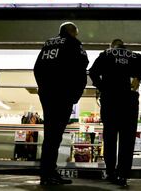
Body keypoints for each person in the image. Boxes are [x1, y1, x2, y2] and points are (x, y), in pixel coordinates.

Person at [89, 39, 141, 187]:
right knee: (127, 139)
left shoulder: (106, 54)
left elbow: (92, 72)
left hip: (110, 100)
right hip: (129, 101)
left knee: (110, 137)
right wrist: (138, 76)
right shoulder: (132, 55)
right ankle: (123, 174)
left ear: (112, 46)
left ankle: (111, 172)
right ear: (124, 47)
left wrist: (102, 86)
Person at [34, 22, 89, 185]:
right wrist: (75, 95)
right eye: (76, 33)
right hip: (63, 94)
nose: (77, 36)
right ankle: (49, 174)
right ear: (71, 32)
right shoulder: (74, 44)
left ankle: (47, 172)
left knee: (50, 134)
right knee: (55, 135)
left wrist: (43, 87)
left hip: (47, 94)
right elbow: (81, 69)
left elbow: (37, 68)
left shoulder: (48, 44)